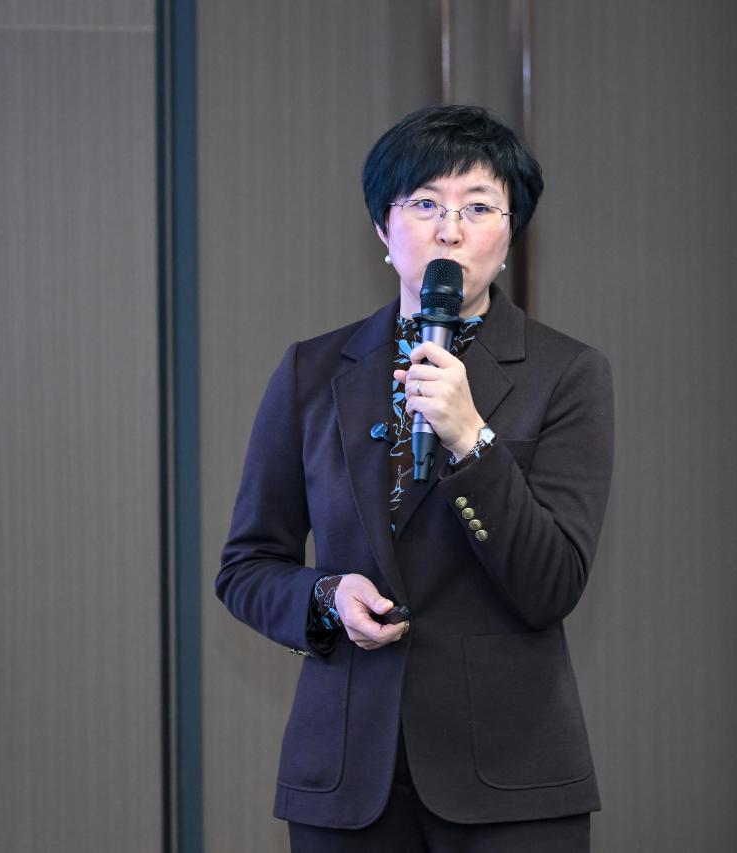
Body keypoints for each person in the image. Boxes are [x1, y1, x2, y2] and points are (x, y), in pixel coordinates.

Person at [217, 104, 614, 852]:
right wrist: (326, 598)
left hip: (510, 779)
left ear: (512, 233)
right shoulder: (312, 370)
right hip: (347, 776)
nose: (450, 230)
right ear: (382, 227)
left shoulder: (567, 374)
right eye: (425, 204)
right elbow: (247, 566)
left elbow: (553, 583)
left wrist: (472, 441)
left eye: (479, 207)